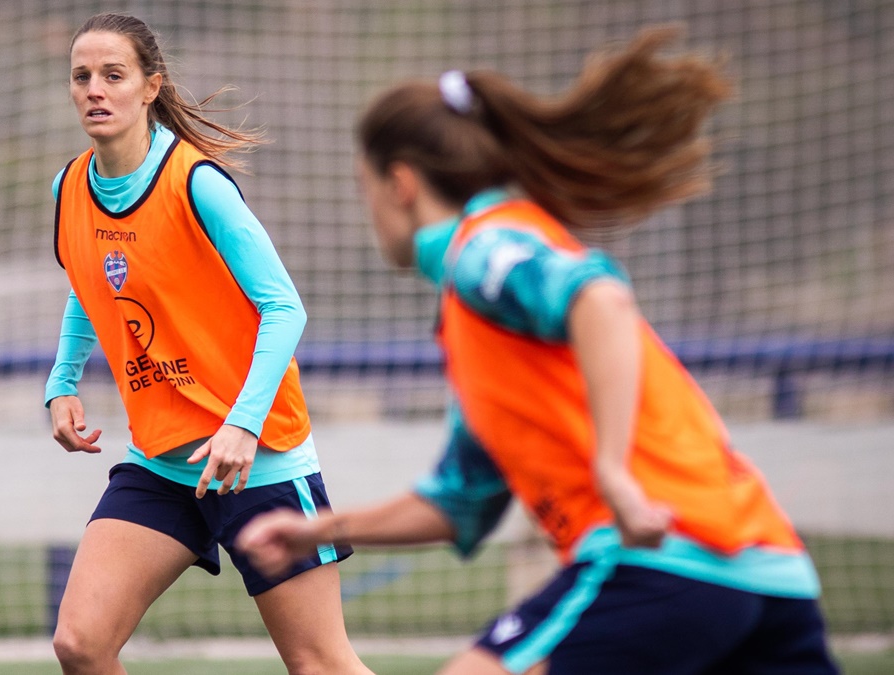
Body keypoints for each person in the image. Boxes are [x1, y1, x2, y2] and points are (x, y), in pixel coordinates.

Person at [238, 28, 839, 675]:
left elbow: (600, 298)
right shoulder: (479, 314)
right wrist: (317, 530)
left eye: (364, 187)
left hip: (659, 557)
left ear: (401, 184)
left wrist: (614, 472)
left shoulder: (482, 247)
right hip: (767, 567)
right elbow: (458, 500)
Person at [44, 13, 372, 675]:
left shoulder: (197, 183)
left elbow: (285, 308)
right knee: (80, 642)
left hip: (260, 458)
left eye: (113, 74)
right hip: (164, 461)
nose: (94, 90)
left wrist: (242, 425)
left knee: (320, 663)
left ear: (149, 86)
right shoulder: (69, 188)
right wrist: (62, 381)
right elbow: (90, 279)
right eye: (82, 76)